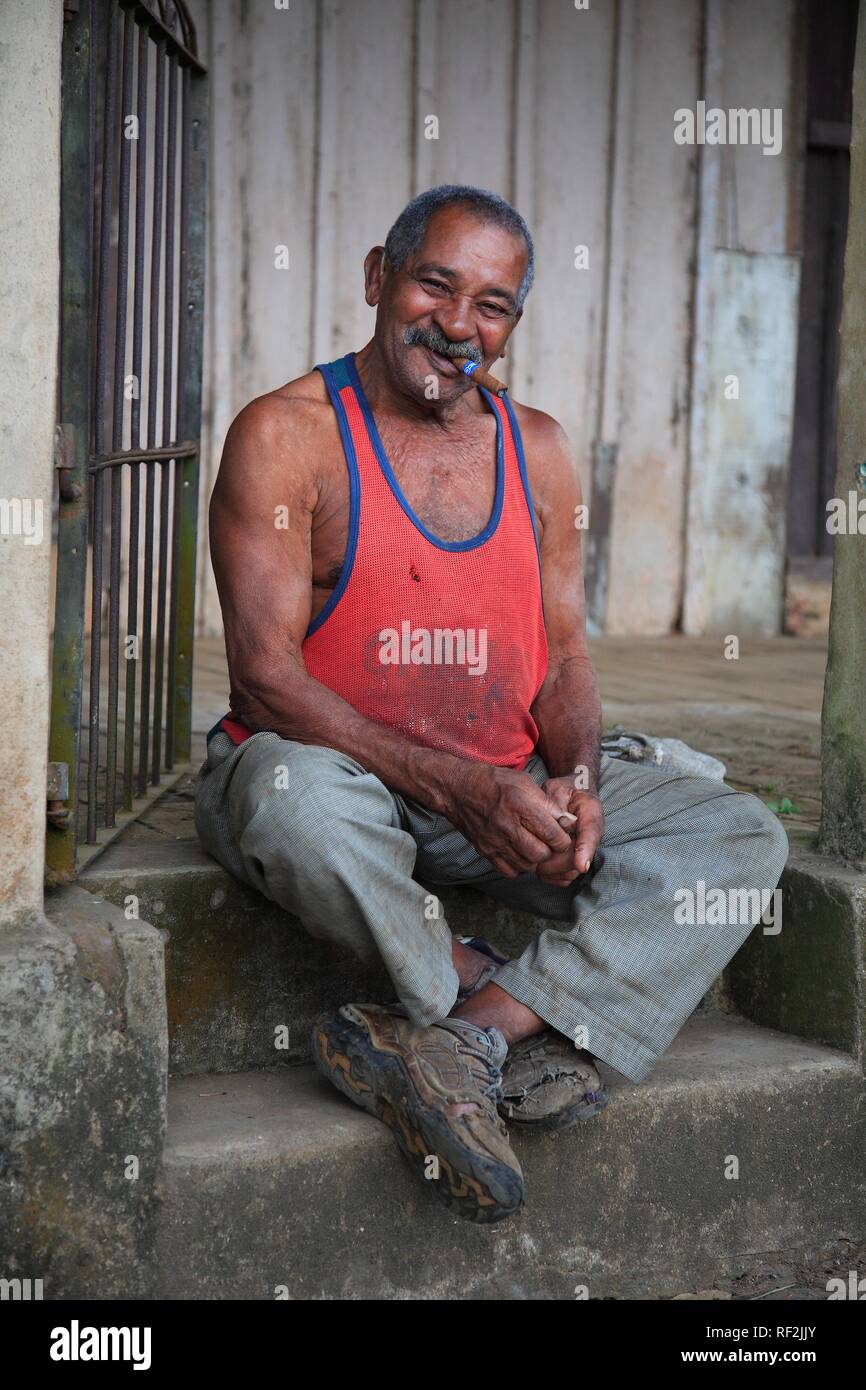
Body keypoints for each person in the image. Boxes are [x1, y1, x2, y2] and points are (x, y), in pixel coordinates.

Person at [194, 184, 789, 1224]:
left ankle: (461, 1033)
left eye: (494, 305)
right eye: (435, 283)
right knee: (293, 801)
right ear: (379, 277)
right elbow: (263, 678)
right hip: (338, 776)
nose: (459, 325)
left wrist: (576, 783)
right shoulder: (287, 436)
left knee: (735, 834)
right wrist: (456, 785)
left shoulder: (540, 450)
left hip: (490, 787)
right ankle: (496, 995)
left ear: (513, 321)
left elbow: (560, 658)